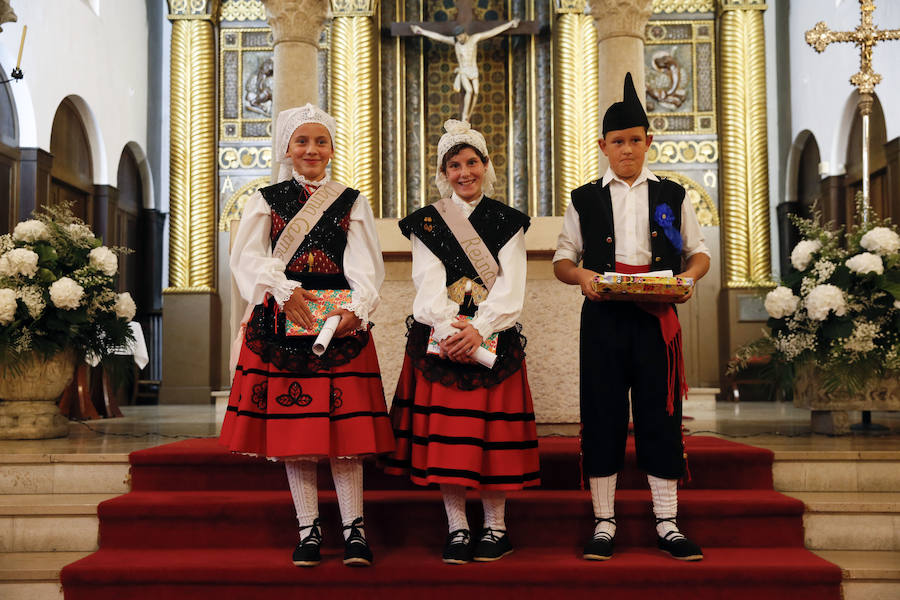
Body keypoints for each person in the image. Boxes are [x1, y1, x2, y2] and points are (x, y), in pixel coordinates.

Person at [220, 104, 394, 568]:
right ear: (287, 148)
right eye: (302, 141)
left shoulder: (352, 200)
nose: (311, 149)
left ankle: (355, 530)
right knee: (296, 437)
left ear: (332, 148)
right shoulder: (265, 198)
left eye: (320, 141)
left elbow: (366, 266)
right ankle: (309, 529)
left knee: (346, 437)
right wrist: (281, 288)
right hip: (282, 325)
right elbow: (246, 259)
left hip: (338, 326)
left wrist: (358, 309)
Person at [553, 73, 711, 562]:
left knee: (659, 415)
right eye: (617, 142)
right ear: (602, 145)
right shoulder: (584, 198)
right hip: (602, 318)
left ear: (648, 143)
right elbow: (563, 258)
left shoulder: (673, 195)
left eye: (635, 141)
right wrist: (581, 278)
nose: (626, 150)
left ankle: (668, 521)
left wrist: (687, 281)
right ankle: (604, 522)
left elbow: (698, 254)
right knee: (602, 414)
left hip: (655, 318)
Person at [384, 119, 539, 564]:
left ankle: (495, 529)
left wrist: (481, 329)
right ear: (443, 172)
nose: (464, 172)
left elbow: (512, 288)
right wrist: (455, 331)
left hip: (493, 338)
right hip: (441, 339)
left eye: (472, 162)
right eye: (455, 165)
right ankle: (457, 528)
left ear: (486, 166)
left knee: (490, 442)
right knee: (450, 441)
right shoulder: (428, 222)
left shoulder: (508, 221)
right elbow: (426, 284)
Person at [409, 19, 519, 121]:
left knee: (476, 93)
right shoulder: (456, 42)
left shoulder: (474, 38)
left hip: (473, 70)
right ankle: (464, 116)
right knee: (470, 91)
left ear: (464, 34)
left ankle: (469, 115)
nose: (459, 40)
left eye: (460, 37)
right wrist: (421, 31)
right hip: (463, 71)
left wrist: (510, 24)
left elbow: (492, 32)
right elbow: (439, 37)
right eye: (457, 38)